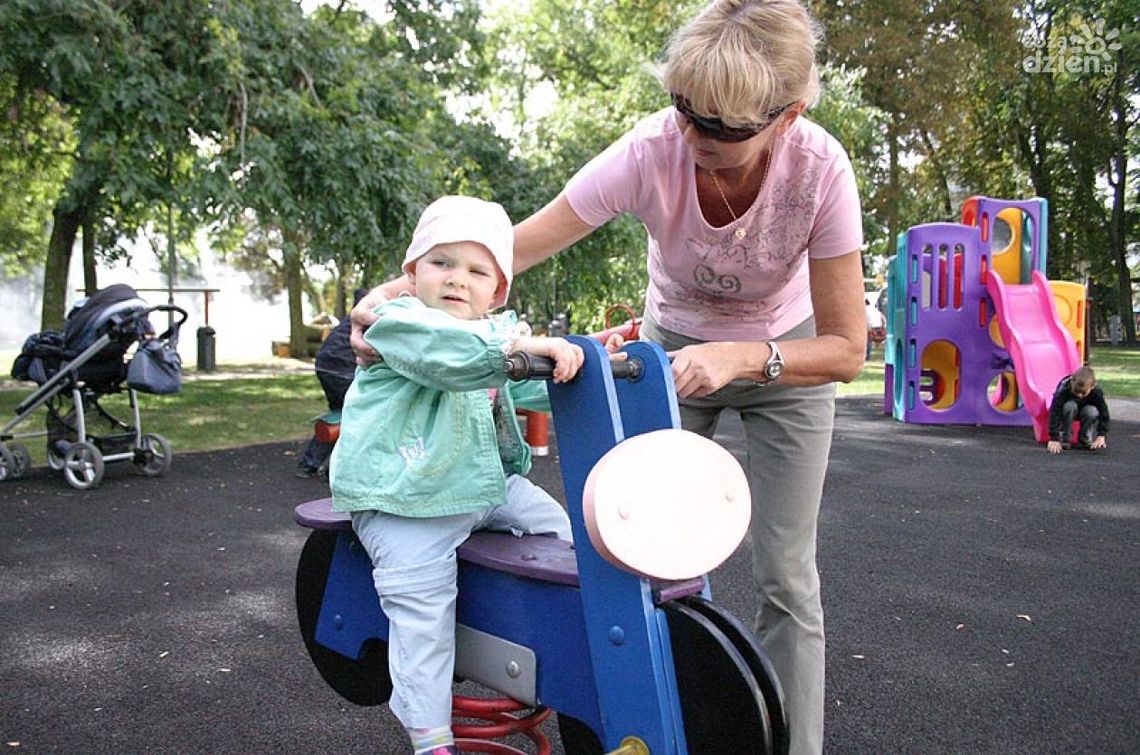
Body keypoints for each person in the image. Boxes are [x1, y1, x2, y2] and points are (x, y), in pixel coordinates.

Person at [350, 2, 864, 752]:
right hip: (670, 354)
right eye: (684, 110)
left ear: (788, 116)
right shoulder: (653, 150)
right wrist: (391, 301)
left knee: (787, 573)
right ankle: (652, 720)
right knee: (636, 549)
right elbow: (506, 251)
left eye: (720, 128)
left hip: (788, 358)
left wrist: (744, 355)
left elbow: (847, 348)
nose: (693, 138)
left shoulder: (820, 171)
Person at [331, 195, 617, 755]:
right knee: (422, 607)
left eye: (476, 270)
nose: (457, 279)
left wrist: (584, 358)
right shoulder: (401, 324)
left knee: (564, 531)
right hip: (403, 495)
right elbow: (450, 357)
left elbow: (529, 381)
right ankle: (430, 737)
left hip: (481, 485)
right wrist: (515, 348)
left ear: (497, 290)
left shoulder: (497, 335)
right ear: (411, 275)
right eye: (441, 263)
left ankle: (557, 643)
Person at [295, 290, 368, 478]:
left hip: (326, 365)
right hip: (343, 368)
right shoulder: (371, 317)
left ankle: (309, 464)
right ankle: (336, 469)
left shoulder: (354, 316)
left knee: (339, 415)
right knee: (359, 418)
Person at [1047, 366, 1109, 454]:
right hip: (1068, 411)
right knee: (1070, 406)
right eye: (1076, 391)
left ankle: (1085, 438)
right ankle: (1065, 438)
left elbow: (1104, 414)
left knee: (1092, 411)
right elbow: (1054, 412)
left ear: (1092, 387)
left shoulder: (1097, 392)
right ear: (1071, 382)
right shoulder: (1064, 389)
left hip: (1085, 412)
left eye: (1083, 393)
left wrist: (1101, 435)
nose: (1079, 395)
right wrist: (1054, 438)